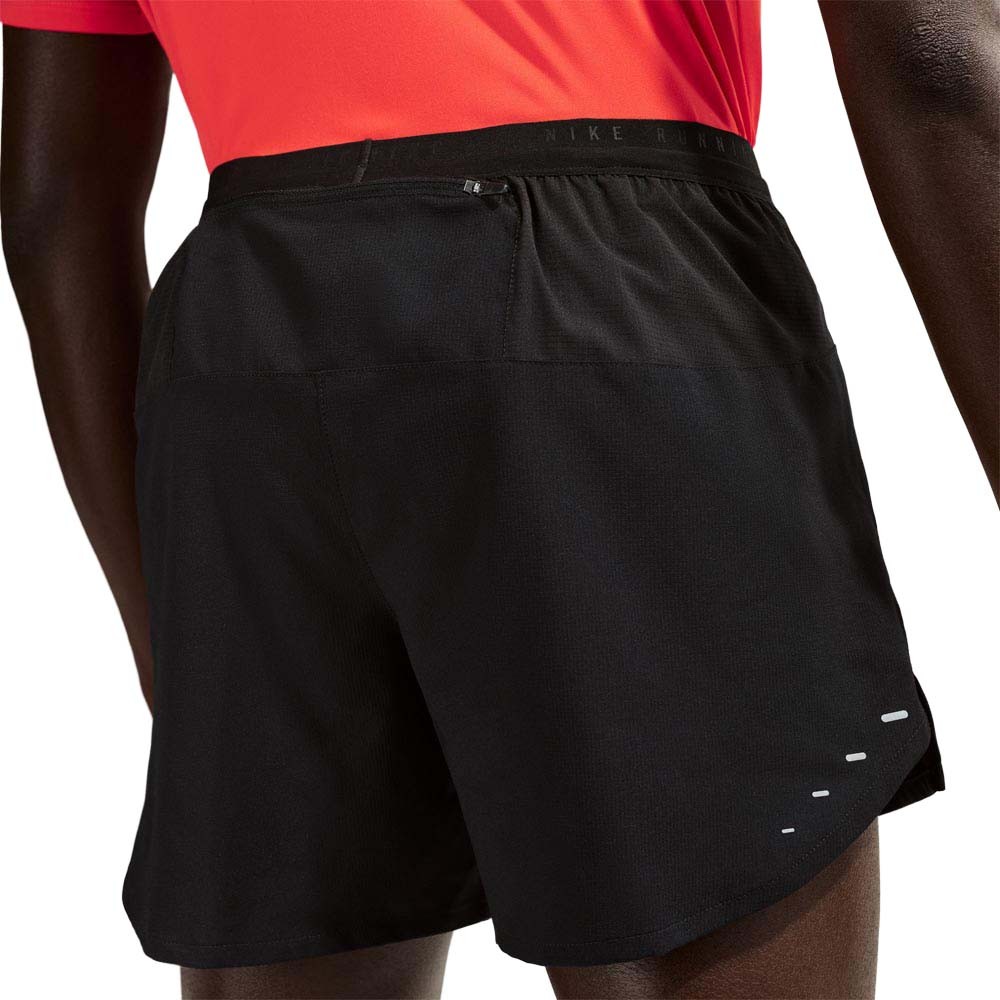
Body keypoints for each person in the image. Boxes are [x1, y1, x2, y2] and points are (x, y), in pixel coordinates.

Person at [1, 2, 994, 998]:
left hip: (241, 345)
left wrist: (172, 638)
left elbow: (52, 205)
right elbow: (935, 59)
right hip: (602, 300)